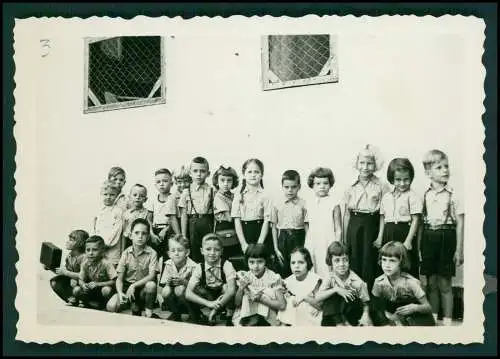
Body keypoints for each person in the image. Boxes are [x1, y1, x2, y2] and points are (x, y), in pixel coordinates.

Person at [419, 149, 464, 326]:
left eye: (446, 166)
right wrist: (420, 248)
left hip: (447, 237)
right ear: (428, 173)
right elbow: (422, 224)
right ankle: (434, 319)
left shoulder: (453, 195)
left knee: (445, 283)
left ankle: (446, 322)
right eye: (439, 167)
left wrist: (459, 250)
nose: (445, 170)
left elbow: (460, 223)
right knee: (431, 283)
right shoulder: (425, 195)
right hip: (429, 238)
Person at [343, 144, 390, 291]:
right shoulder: (350, 186)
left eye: (370, 163)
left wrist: (380, 236)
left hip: (372, 225)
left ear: (376, 164)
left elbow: (384, 213)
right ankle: (355, 301)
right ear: (356, 163)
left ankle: (371, 304)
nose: (365, 167)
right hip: (354, 225)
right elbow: (346, 214)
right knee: (355, 260)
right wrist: (345, 237)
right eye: (362, 163)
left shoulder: (381, 185)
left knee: (370, 262)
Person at [374, 158, 422, 278]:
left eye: (406, 179)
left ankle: (408, 294)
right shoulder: (386, 197)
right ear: (391, 179)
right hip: (389, 233)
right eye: (398, 180)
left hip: (404, 232)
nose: (402, 183)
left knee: (405, 265)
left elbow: (416, 219)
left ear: (411, 178)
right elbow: (382, 218)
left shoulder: (413, 196)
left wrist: (409, 241)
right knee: (389, 263)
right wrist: (380, 237)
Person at [371, 241, 435, 326]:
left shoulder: (411, 282)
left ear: (401, 262)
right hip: (395, 317)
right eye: (384, 260)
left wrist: (415, 308)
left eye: (392, 261)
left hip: (416, 319)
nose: (387, 265)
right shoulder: (379, 282)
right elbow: (375, 306)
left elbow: (428, 308)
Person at [106, 218, 160, 319]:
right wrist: (120, 292)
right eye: (136, 233)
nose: (140, 236)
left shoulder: (152, 253)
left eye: (144, 234)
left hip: (143, 288)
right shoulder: (126, 253)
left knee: (151, 285)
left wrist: (134, 285)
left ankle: (149, 311)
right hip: (128, 287)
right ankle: (133, 306)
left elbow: (152, 276)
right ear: (131, 235)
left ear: (148, 237)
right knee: (111, 306)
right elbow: (119, 279)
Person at [185, 234, 237, 326]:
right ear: (202, 251)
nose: (212, 253)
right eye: (208, 249)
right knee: (194, 289)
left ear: (221, 251)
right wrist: (209, 304)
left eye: (216, 250)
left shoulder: (227, 264)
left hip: (222, 296)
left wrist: (215, 309)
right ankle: (197, 315)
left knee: (226, 287)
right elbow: (188, 293)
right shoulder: (199, 267)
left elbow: (232, 290)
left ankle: (229, 315)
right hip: (208, 294)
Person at [315, 242, 372, 326]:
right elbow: (317, 298)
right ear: (330, 261)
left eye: (345, 260)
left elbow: (366, 302)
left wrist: (365, 315)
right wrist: (336, 289)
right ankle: (340, 324)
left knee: (346, 295)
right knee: (330, 297)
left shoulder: (357, 281)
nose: (341, 264)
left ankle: (344, 325)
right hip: (336, 316)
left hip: (352, 312)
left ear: (349, 260)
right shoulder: (330, 277)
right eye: (337, 260)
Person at [231, 159, 274, 269]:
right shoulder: (238, 195)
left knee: (262, 264)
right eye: (249, 172)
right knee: (247, 266)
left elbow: (267, 220)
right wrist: (243, 244)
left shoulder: (266, 195)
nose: (253, 175)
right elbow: (237, 220)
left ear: (261, 174)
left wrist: (260, 243)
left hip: (261, 233)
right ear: (244, 175)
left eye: (256, 172)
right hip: (245, 234)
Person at [232, 244, 286, 326]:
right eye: (251, 262)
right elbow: (237, 303)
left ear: (266, 261)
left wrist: (261, 299)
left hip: (269, 314)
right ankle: (252, 323)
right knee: (247, 295)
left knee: (266, 292)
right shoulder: (246, 276)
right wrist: (241, 288)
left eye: (260, 262)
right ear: (247, 262)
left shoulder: (273, 277)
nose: (255, 266)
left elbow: (282, 305)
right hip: (250, 315)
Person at [304, 167, 342, 279]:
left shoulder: (334, 203)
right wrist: (308, 239)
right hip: (312, 239)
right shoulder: (308, 203)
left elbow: (338, 228)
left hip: (328, 239)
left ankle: (328, 290)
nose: (322, 186)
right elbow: (307, 223)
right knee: (312, 263)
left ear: (330, 184)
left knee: (326, 266)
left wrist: (337, 245)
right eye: (318, 183)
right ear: (312, 185)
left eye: (325, 183)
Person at [271, 170, 309, 279]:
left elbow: (306, 226)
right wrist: (276, 248)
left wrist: (307, 244)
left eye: (293, 187)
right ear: (282, 186)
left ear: (299, 187)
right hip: (282, 239)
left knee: (299, 265)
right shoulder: (277, 204)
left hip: (299, 237)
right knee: (283, 266)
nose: (290, 190)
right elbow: (274, 227)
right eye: (286, 187)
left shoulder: (304, 204)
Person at [179, 157, 215, 263]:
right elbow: (184, 215)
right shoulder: (186, 192)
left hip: (208, 222)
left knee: (209, 250)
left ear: (208, 173)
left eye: (202, 171)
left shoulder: (212, 190)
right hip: (193, 224)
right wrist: (184, 235)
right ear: (190, 173)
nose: (199, 174)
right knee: (194, 253)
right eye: (195, 171)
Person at [277, 247, 323, 326]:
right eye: (293, 263)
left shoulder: (315, 280)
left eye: (301, 262)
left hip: (311, 318)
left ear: (308, 263)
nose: (296, 266)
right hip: (293, 320)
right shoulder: (288, 281)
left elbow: (320, 305)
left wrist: (304, 298)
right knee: (290, 299)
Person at [159, 234, 198, 322]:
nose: (176, 253)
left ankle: (194, 313)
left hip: (191, 295)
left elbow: (197, 288)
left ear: (187, 252)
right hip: (175, 295)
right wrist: (168, 283)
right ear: (169, 254)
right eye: (173, 251)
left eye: (180, 250)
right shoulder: (168, 264)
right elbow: (164, 287)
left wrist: (184, 282)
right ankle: (176, 313)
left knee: (180, 289)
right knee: (165, 292)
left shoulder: (193, 266)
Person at [73, 235, 117, 309]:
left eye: (95, 250)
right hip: (92, 290)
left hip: (102, 289)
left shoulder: (106, 263)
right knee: (76, 290)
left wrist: (98, 284)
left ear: (102, 251)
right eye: (88, 250)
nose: (91, 253)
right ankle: (88, 302)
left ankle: (104, 305)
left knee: (106, 290)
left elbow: (114, 281)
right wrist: (83, 285)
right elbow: (81, 279)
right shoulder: (85, 263)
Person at [50, 230, 88, 305]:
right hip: (74, 282)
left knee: (77, 289)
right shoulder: (69, 256)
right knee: (54, 282)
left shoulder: (84, 257)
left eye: (71, 240)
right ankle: (71, 299)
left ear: (80, 243)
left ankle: (84, 301)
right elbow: (64, 272)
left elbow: (83, 276)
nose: (67, 242)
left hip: (83, 284)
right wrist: (50, 268)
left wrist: (66, 273)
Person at [91, 180, 125, 267]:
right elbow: (94, 227)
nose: (108, 197)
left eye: (112, 195)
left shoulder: (118, 211)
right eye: (106, 194)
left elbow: (116, 231)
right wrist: (94, 242)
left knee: (110, 269)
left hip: (111, 247)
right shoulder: (98, 210)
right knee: (98, 268)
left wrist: (105, 244)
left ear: (116, 196)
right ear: (101, 194)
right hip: (97, 246)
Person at [212, 165, 241, 261]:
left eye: (229, 180)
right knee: (226, 256)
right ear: (217, 181)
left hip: (232, 225)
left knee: (235, 255)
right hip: (225, 226)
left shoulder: (232, 195)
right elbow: (229, 218)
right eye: (222, 180)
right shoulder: (219, 197)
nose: (225, 183)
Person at [151, 169, 180, 263]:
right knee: (155, 258)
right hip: (155, 233)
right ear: (155, 185)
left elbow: (175, 218)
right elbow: (148, 218)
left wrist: (166, 230)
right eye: (158, 182)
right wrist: (152, 234)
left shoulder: (175, 198)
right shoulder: (153, 199)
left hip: (169, 232)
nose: (161, 184)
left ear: (171, 183)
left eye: (165, 181)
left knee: (168, 258)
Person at [122, 184, 159, 250]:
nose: (138, 197)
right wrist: (122, 249)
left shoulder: (147, 213)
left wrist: (152, 235)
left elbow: (149, 226)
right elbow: (124, 232)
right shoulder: (126, 214)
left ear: (145, 199)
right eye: (135, 195)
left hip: (142, 240)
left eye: (141, 196)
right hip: (129, 240)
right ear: (129, 197)